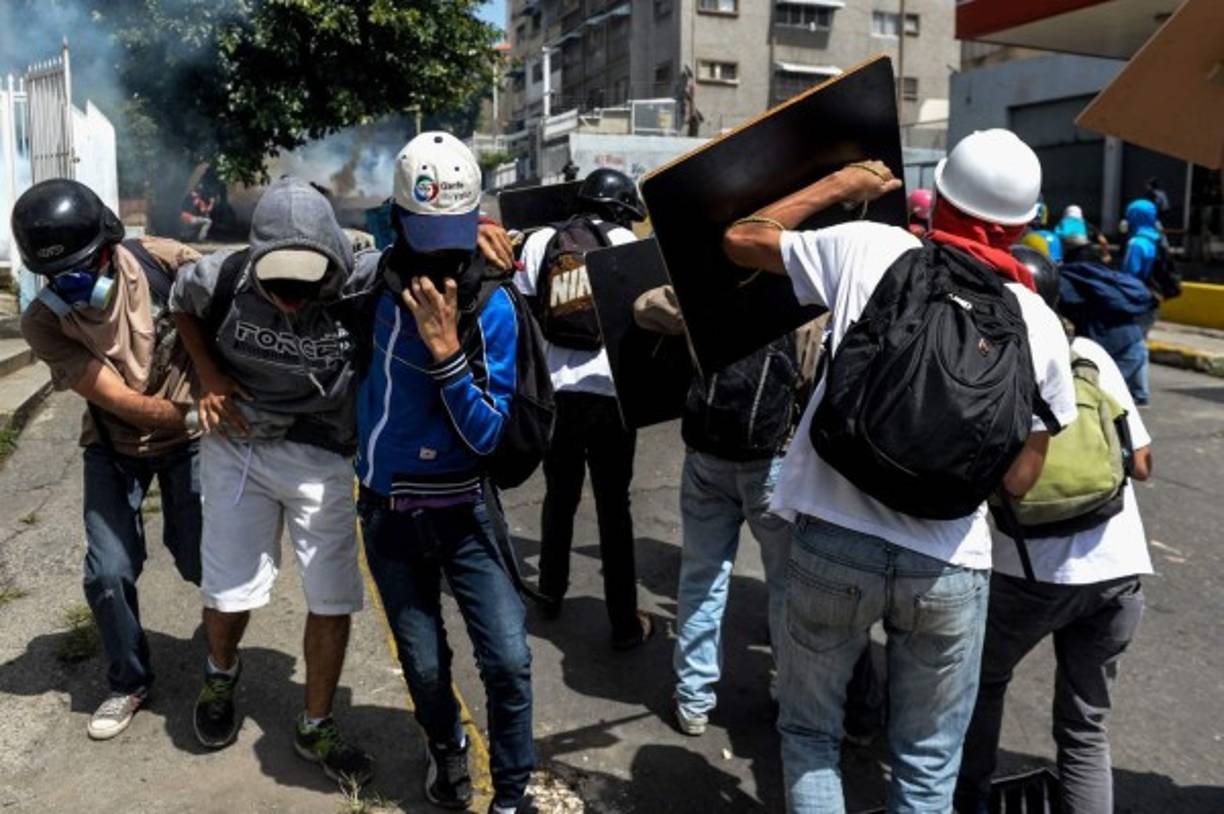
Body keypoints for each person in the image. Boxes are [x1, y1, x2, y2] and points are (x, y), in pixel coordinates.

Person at [722, 129, 1078, 811]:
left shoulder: (870, 249)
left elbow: (742, 238)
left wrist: (841, 188)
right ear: (1025, 226)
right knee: (924, 766)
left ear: (937, 196)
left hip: (830, 540)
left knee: (810, 734)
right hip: (949, 564)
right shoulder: (1037, 321)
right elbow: (1018, 481)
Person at [170, 177, 374, 783]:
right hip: (239, 444)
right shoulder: (221, 276)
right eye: (276, 280)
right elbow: (182, 304)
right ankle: (221, 674)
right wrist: (208, 374)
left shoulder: (361, 276)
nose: (289, 297)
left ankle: (315, 726)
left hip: (322, 449)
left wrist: (488, 241)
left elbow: (432, 259)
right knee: (230, 592)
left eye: (304, 282)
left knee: (332, 594)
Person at [355, 132, 534, 814]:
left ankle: (514, 797)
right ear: (399, 222)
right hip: (389, 510)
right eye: (428, 234)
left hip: (465, 509)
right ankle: (446, 746)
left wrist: (448, 356)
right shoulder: (372, 279)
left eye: (456, 233)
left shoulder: (491, 303)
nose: (445, 256)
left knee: (510, 661)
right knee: (426, 667)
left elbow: (490, 433)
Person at [956, 248, 1153, 814]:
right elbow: (1140, 463)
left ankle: (966, 803)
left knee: (983, 685)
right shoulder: (1088, 352)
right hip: (1119, 574)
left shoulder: (987, 356)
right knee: (1086, 727)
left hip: (1027, 573)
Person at [13, 179, 204, 740]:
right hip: (115, 444)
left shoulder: (166, 263)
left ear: (109, 244)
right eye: (57, 278)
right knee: (109, 572)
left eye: (81, 269)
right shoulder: (43, 323)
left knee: (200, 559)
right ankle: (129, 681)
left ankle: (220, 658)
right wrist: (202, 415)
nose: (72, 287)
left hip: (188, 448)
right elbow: (125, 405)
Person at [513, 168, 654, 649]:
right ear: (621, 209)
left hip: (557, 395)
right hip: (612, 398)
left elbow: (525, 315)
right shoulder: (628, 247)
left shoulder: (540, 243)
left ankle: (550, 593)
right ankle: (623, 623)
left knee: (560, 496)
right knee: (615, 508)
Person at [1060, 241, 1156, 405]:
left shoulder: (1071, 280)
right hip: (1135, 342)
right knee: (1136, 400)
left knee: (1099, 401)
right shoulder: (1109, 278)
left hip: (1110, 349)